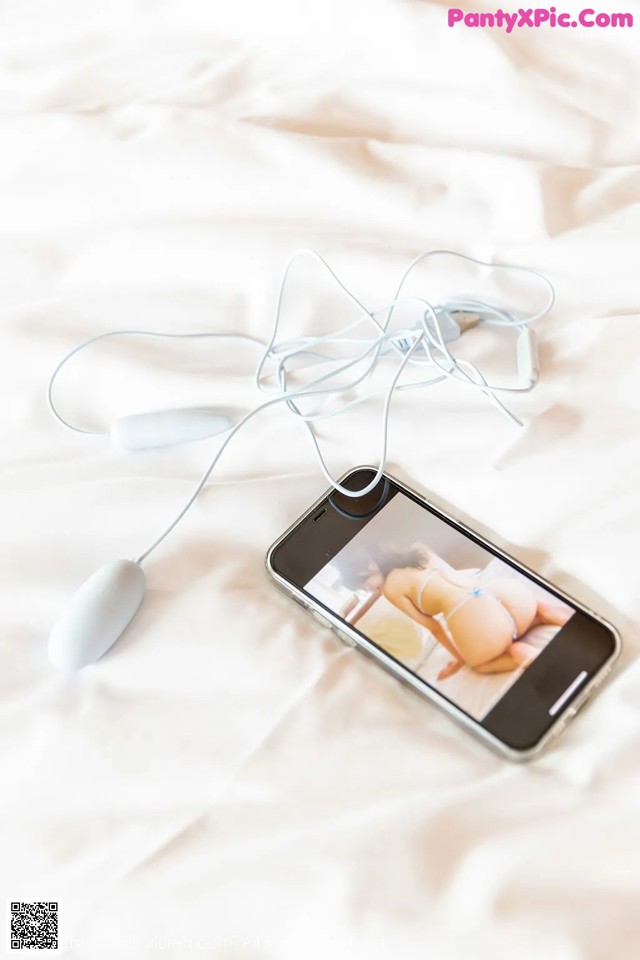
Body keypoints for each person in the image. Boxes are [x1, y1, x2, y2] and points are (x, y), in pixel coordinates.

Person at [337, 544, 572, 680]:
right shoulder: (411, 561)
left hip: (478, 617)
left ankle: (518, 653)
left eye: (363, 584)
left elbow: (434, 627)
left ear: (369, 566)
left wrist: (460, 659)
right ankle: (541, 614)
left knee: (477, 665)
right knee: (518, 616)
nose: (368, 590)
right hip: (503, 594)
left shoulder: (390, 588)